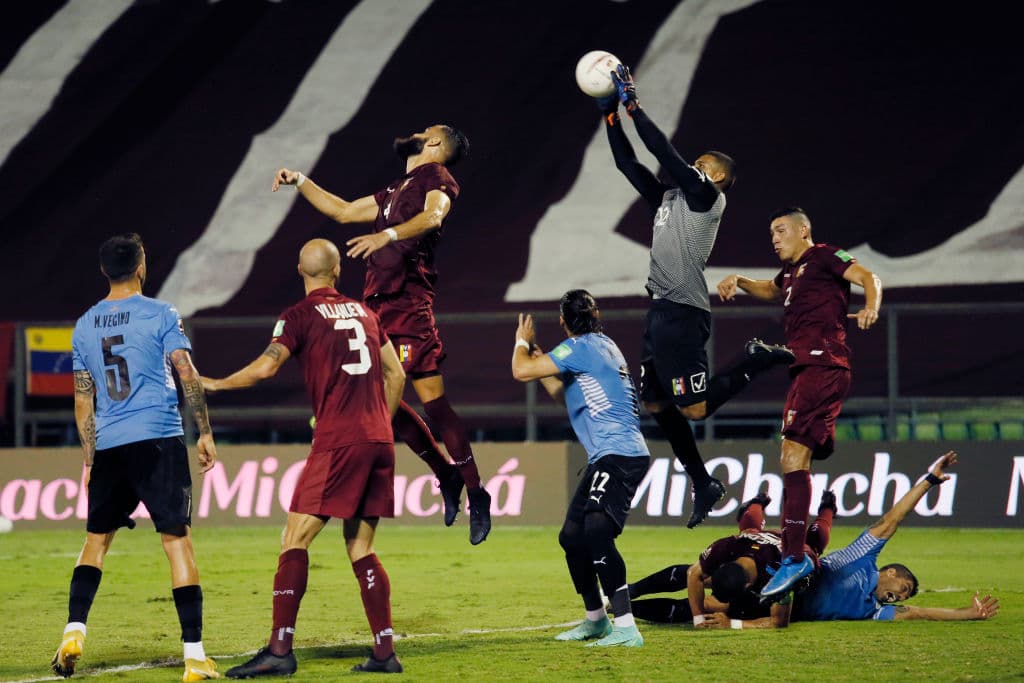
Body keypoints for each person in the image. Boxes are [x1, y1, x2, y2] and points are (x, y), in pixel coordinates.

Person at [271, 124, 491, 545]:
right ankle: (446, 475)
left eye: (425, 129)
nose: (417, 130)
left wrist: (386, 234)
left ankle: (476, 491)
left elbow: (433, 216)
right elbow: (339, 210)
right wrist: (300, 180)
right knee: (381, 404)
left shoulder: (436, 178)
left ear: (434, 144)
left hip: (408, 305)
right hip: (374, 309)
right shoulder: (394, 190)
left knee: (432, 402)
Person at [599, 64, 794, 528]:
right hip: (660, 313)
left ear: (719, 178)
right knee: (656, 405)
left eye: (704, 166)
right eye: (697, 164)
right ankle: (703, 482)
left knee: (697, 408)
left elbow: (662, 152)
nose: (695, 168)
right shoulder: (669, 201)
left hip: (684, 312)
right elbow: (630, 163)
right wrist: (611, 117)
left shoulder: (709, 200)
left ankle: (755, 358)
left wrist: (633, 104)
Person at [202, 239, 407, 676]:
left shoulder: (297, 316)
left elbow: (265, 367)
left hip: (339, 441)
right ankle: (385, 653)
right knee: (360, 546)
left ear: (301, 269)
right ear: (337, 272)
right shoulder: (368, 314)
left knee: (294, 538)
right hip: (379, 440)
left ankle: (280, 650)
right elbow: (397, 374)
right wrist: (380, 425)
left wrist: (215, 385)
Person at [53, 233, 219, 681]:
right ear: (141, 267)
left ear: (104, 271)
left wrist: (89, 459)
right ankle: (194, 656)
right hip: (158, 439)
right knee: (176, 541)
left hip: (109, 444)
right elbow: (186, 372)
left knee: (95, 541)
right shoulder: (161, 313)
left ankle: (73, 630)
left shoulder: (85, 325)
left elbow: (82, 401)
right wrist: (204, 431)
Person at [717, 206, 883, 596]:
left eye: (781, 231)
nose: (774, 239)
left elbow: (867, 276)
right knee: (796, 457)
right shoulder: (791, 273)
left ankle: (793, 559)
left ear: (803, 230)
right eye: (771, 233)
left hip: (823, 365)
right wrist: (739, 280)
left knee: (792, 455)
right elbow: (773, 289)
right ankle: (793, 554)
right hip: (805, 369)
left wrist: (872, 305)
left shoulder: (824, 255)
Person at [633, 451, 1000, 628]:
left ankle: (627, 609)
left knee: (712, 610)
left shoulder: (873, 611)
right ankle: (627, 592)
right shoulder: (860, 560)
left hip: (778, 606)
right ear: (888, 571)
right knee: (707, 575)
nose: (899, 595)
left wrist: (966, 614)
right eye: (901, 586)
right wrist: (930, 481)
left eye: (901, 596)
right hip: (785, 570)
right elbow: (891, 521)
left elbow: (919, 612)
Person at [512, 290, 650, 647]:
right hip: (612, 454)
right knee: (571, 537)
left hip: (618, 455)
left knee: (597, 531)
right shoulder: (603, 346)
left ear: (562, 321)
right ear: (596, 314)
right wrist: (548, 365)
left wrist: (521, 343)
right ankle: (596, 620)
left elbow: (520, 370)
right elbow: (570, 397)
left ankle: (626, 627)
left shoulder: (579, 349)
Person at [628, 490, 836, 629]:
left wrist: (733, 623)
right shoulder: (730, 545)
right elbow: (694, 573)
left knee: (814, 540)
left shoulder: (783, 571)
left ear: (747, 587)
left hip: (793, 554)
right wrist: (697, 617)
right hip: (760, 546)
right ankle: (757, 501)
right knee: (749, 530)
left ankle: (828, 507)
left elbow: (778, 622)